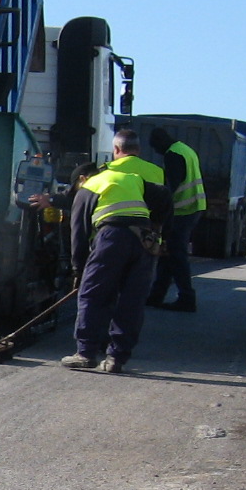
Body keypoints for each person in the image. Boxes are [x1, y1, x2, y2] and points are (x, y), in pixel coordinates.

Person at [61, 128, 170, 373]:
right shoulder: (133, 178)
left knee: (91, 294)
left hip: (113, 237)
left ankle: (86, 352)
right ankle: (115, 359)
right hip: (143, 240)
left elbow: (78, 234)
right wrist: (158, 229)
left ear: (81, 180)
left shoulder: (90, 187)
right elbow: (164, 195)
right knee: (131, 300)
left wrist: (78, 270)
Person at [145, 127, 204, 311]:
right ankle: (156, 295)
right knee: (168, 252)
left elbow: (171, 186)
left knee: (177, 254)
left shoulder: (173, 155)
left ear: (160, 143)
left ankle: (187, 298)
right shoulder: (184, 149)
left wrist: (157, 208)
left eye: (156, 148)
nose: (156, 152)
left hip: (183, 210)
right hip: (194, 207)